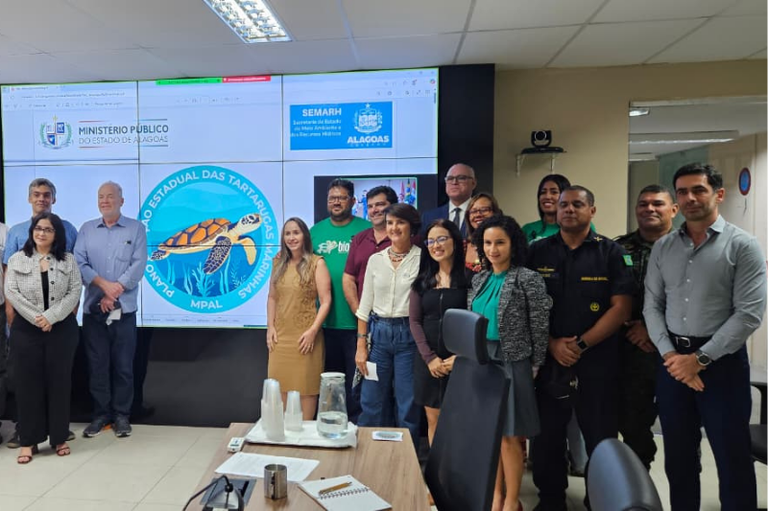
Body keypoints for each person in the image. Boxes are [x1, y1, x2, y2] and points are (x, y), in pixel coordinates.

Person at [644, 163, 766, 511]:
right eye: (682, 192)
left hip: (721, 364)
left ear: (719, 194)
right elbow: (652, 306)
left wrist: (698, 361)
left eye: (698, 189)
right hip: (672, 364)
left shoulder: (743, 246)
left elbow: (748, 314)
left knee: (732, 459)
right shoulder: (664, 247)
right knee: (679, 458)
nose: (690, 198)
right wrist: (672, 358)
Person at [527, 185, 634, 511]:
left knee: (600, 436)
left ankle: (598, 499)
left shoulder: (612, 253)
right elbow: (523, 307)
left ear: (592, 211)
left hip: (597, 360)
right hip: (548, 359)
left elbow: (622, 308)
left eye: (577, 204)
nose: (568, 210)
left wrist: (581, 344)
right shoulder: (537, 251)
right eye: (563, 205)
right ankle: (550, 500)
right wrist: (550, 343)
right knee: (546, 438)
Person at [469, 215, 550, 511]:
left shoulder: (527, 278)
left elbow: (539, 324)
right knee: (490, 437)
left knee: (510, 438)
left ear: (513, 244)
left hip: (512, 360)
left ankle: (512, 501)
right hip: (481, 361)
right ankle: (496, 497)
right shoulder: (480, 278)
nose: (493, 249)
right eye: (487, 243)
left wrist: (536, 362)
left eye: (499, 242)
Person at [3, 177, 79, 450]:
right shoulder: (16, 253)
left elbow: (74, 289)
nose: (42, 233)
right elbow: (9, 287)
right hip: (27, 326)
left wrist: (54, 316)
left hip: (60, 327)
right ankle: (28, 439)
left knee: (59, 383)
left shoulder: (67, 254)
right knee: (27, 384)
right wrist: (36, 317)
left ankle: (59, 436)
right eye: (36, 194)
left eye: (46, 194)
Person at [74, 182, 147, 438]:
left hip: (124, 311)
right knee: (97, 365)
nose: (105, 201)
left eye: (110, 196)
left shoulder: (136, 229)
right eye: (101, 197)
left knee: (124, 366)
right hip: (94, 310)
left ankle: (122, 415)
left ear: (121, 201)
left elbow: (138, 265)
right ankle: (100, 414)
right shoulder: (86, 230)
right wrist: (104, 287)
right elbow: (79, 262)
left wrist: (114, 291)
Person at [614, 185, 678, 470]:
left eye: (657, 203)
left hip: (677, 352)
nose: (649, 209)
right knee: (633, 424)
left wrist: (652, 331)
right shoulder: (618, 247)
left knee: (682, 430)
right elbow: (610, 295)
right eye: (643, 204)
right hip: (630, 350)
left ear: (673, 210)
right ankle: (637, 487)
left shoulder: (688, 246)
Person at [355, 203, 421, 444]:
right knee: (371, 401)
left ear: (411, 226)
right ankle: (367, 458)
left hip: (409, 337)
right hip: (378, 339)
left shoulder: (422, 259)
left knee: (408, 405)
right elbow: (364, 308)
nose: (394, 227)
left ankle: (408, 464)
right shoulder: (375, 260)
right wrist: (361, 346)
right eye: (390, 222)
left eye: (400, 222)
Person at [311, 179, 370, 421]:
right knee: (329, 382)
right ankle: (330, 427)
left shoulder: (365, 230)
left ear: (353, 201)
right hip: (324, 323)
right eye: (332, 198)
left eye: (342, 197)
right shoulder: (315, 232)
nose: (336, 202)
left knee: (358, 386)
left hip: (358, 323)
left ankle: (356, 430)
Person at [409, 219, 467, 445]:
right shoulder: (422, 282)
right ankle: (437, 477)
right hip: (428, 362)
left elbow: (478, 321)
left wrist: (461, 358)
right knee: (434, 421)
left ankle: (461, 476)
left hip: (461, 361)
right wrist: (430, 358)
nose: (436, 245)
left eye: (442, 238)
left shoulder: (470, 280)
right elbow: (414, 322)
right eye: (431, 241)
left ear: (455, 241)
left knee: (460, 421)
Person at [343, 186, 398, 421]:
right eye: (371, 205)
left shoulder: (405, 237)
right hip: (369, 324)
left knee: (401, 392)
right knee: (370, 389)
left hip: (399, 323)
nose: (375, 209)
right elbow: (348, 278)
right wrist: (361, 314)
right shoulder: (359, 239)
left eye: (381, 204)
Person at [267, 218, 331, 419]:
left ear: (305, 235)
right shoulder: (277, 263)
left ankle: (305, 446)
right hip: (280, 338)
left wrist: (313, 331)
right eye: (287, 233)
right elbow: (272, 297)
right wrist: (270, 327)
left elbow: (326, 300)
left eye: (296, 232)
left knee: (306, 390)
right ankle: (285, 443)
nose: (292, 237)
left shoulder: (316, 263)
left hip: (305, 338)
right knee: (280, 390)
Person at [421, 163, 477, 237]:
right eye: (450, 178)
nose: (454, 182)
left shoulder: (483, 213)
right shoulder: (429, 217)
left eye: (461, 178)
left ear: (473, 183)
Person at [463, 192, 502, 274]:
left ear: (495, 213)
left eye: (484, 210)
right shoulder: (462, 247)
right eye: (473, 211)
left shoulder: (504, 244)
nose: (478, 214)